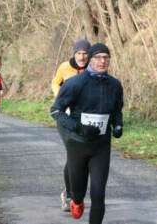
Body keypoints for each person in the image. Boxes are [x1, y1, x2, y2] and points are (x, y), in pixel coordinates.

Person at [51, 43, 123, 224]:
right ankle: (76, 199)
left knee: (99, 193)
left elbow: (117, 110)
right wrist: (77, 127)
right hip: (77, 144)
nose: (102, 61)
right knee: (78, 192)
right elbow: (56, 111)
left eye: (106, 58)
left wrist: (118, 125)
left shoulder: (114, 85)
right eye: (98, 57)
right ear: (90, 60)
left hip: (101, 146)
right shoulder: (76, 83)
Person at [51, 39, 91, 212]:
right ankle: (69, 195)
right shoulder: (64, 67)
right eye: (79, 53)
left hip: (85, 119)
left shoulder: (94, 68)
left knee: (82, 157)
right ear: (74, 53)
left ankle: (73, 192)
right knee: (73, 153)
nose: (82, 57)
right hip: (66, 118)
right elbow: (55, 82)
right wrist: (60, 97)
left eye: (85, 53)